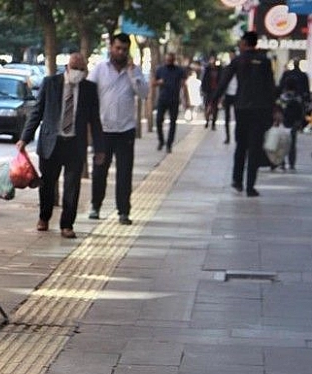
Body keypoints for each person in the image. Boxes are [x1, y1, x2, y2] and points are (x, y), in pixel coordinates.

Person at [16, 52, 105, 238]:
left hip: (75, 144)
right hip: (51, 143)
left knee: (72, 187)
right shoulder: (50, 83)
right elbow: (37, 112)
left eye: (82, 69)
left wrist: (99, 148)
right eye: (76, 68)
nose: (79, 72)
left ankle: (67, 224)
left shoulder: (89, 89)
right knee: (47, 184)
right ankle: (44, 217)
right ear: (67, 67)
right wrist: (24, 138)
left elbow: (95, 121)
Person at [87, 33, 148, 225]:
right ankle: (96, 206)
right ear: (111, 48)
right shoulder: (99, 70)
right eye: (117, 48)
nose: (120, 52)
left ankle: (123, 211)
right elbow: (88, 94)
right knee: (99, 171)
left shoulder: (135, 71)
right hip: (103, 131)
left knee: (124, 173)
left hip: (125, 131)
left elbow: (144, 94)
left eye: (123, 49)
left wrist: (132, 74)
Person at [214, 31, 276, 197]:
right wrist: (275, 109)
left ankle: (237, 179)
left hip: (241, 108)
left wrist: (213, 101)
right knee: (255, 147)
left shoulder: (238, 60)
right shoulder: (264, 61)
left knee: (241, 145)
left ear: (244, 43)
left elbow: (224, 81)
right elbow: (271, 87)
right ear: (255, 43)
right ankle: (250, 187)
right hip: (259, 109)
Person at [152, 52, 188, 153]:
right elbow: (153, 83)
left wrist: (186, 100)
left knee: (173, 123)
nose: (169, 61)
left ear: (174, 60)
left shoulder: (179, 70)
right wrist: (159, 82)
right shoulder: (160, 69)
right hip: (162, 99)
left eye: (171, 60)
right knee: (159, 120)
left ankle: (169, 144)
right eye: (167, 60)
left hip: (174, 100)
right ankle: (161, 140)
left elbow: (184, 85)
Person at [276, 77, 304, 170]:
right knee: (292, 144)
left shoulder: (282, 97)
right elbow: (301, 111)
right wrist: (299, 122)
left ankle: (282, 162)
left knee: (282, 143)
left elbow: (278, 108)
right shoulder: (297, 98)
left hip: (283, 122)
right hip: (293, 123)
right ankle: (292, 163)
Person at [222, 50, 238, 144]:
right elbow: (222, 83)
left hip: (237, 95)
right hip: (228, 95)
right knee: (227, 117)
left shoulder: (240, 68)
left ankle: (236, 137)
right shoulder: (226, 69)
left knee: (237, 117)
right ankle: (227, 137)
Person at [201, 55, 221, 130]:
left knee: (215, 108)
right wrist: (203, 90)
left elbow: (221, 81)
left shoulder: (219, 70)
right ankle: (207, 120)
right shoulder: (207, 70)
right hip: (208, 91)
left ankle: (213, 123)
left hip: (216, 91)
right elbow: (204, 80)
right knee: (207, 107)